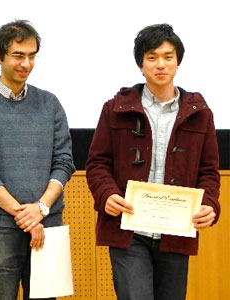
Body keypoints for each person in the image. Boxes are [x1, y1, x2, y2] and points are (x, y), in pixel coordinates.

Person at [86, 24, 221, 300]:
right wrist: (106, 194)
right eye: (152, 57)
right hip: (128, 229)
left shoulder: (200, 113)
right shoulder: (115, 109)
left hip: (176, 232)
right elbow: (97, 163)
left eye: (168, 57)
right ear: (141, 64)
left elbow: (209, 172)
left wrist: (210, 204)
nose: (161, 64)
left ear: (178, 61)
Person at [0, 20, 75, 300]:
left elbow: (64, 162)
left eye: (32, 56)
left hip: (47, 223)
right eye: (18, 55)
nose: (26, 63)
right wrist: (24, 215)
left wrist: (40, 209)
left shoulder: (50, 103)